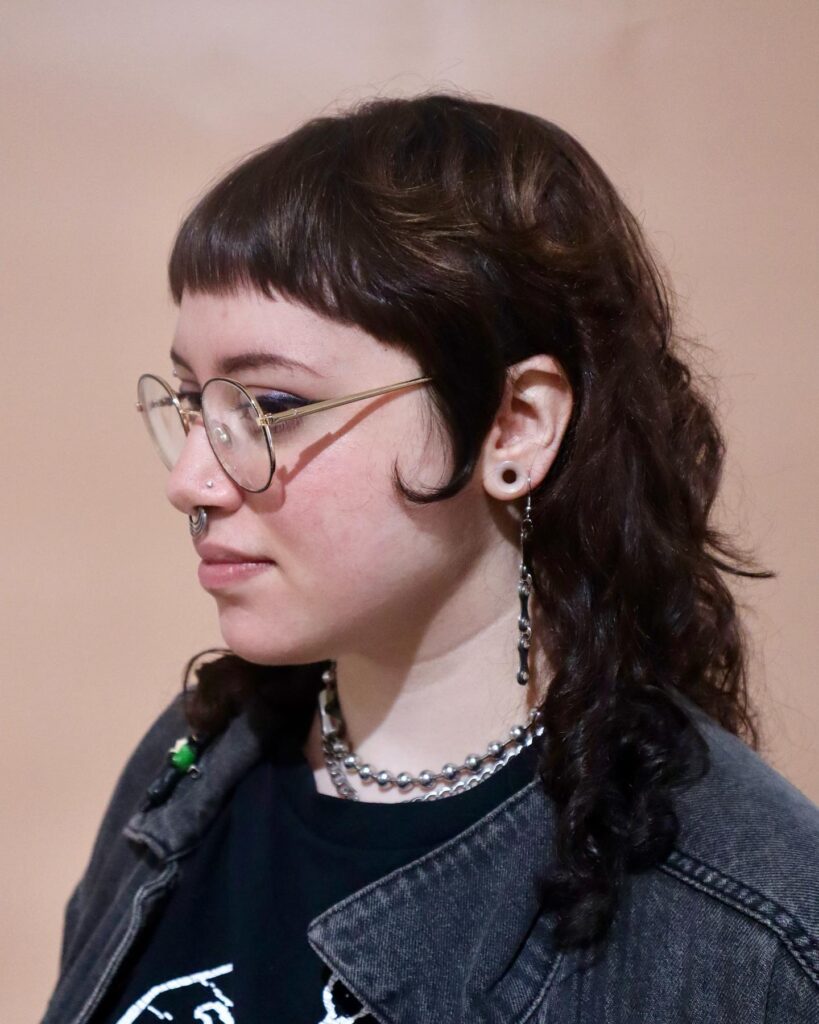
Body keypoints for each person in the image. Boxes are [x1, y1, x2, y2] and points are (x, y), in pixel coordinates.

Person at [42, 92, 818, 1024]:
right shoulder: (196, 761)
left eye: (274, 406)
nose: (194, 480)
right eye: (192, 402)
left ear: (513, 426)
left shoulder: (742, 928)